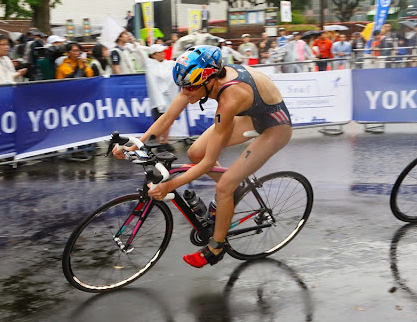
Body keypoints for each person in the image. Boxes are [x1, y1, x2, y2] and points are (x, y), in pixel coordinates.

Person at [113, 45, 292, 268]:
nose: (185, 93)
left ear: (209, 81)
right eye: (183, 87)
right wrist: (136, 143)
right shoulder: (198, 79)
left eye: (189, 89)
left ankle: (216, 247)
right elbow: (169, 116)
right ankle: (231, 193)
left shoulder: (229, 99)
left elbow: (209, 162)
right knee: (194, 152)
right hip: (252, 115)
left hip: (275, 127)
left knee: (223, 186)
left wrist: (171, 185)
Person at [142, 44, 178, 150]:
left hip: (169, 98)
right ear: (153, 55)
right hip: (157, 99)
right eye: (159, 52)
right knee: (159, 120)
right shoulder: (149, 65)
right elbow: (139, 53)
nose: (163, 53)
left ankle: (165, 141)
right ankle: (158, 142)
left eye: (163, 51)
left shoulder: (170, 64)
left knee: (168, 120)